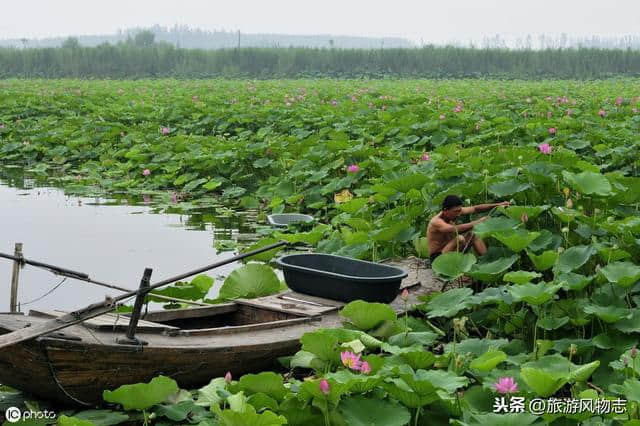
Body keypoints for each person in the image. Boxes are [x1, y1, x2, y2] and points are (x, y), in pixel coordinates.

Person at [427, 195, 510, 263]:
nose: (459, 214)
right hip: (438, 258)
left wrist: (498, 205)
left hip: (451, 252)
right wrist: (478, 222)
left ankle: (487, 262)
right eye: (455, 212)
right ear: (445, 210)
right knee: (459, 239)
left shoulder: (456, 211)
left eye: (460, 210)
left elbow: (476, 208)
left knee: (474, 235)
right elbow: (456, 229)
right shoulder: (436, 222)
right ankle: (456, 270)